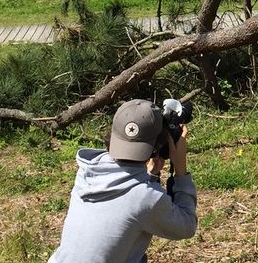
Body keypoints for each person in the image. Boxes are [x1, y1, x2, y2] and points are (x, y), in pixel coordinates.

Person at [48, 99, 197, 263]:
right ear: (158, 145)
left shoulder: (87, 171)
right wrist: (181, 171)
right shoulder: (145, 197)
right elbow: (187, 226)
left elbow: (123, 201)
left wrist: (151, 176)